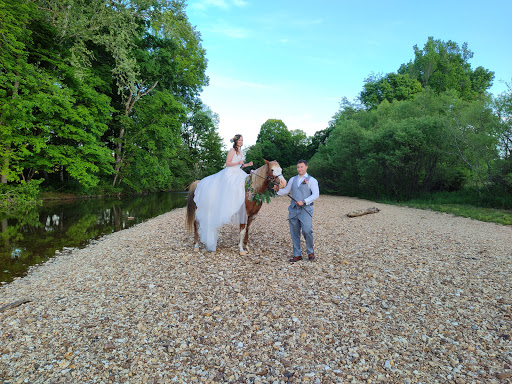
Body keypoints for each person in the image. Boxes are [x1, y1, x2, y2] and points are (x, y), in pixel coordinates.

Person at [193, 134, 253, 251]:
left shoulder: (241, 152)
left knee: (247, 183)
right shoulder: (232, 150)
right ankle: (227, 204)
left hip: (238, 172)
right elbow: (228, 163)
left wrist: (247, 165)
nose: (241, 141)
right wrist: (238, 163)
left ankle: (240, 204)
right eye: (239, 140)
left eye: (242, 140)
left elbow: (240, 166)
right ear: (235, 141)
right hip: (229, 172)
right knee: (231, 186)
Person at [273, 159, 319, 262]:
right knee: (294, 232)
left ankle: (310, 252)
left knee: (307, 231)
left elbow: (316, 194)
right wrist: (278, 191)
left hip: (306, 209)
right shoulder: (293, 179)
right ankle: (297, 254)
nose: (299, 169)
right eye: (298, 167)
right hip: (293, 210)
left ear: (306, 167)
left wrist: (304, 201)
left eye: (301, 167)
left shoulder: (312, 180)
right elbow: (286, 191)